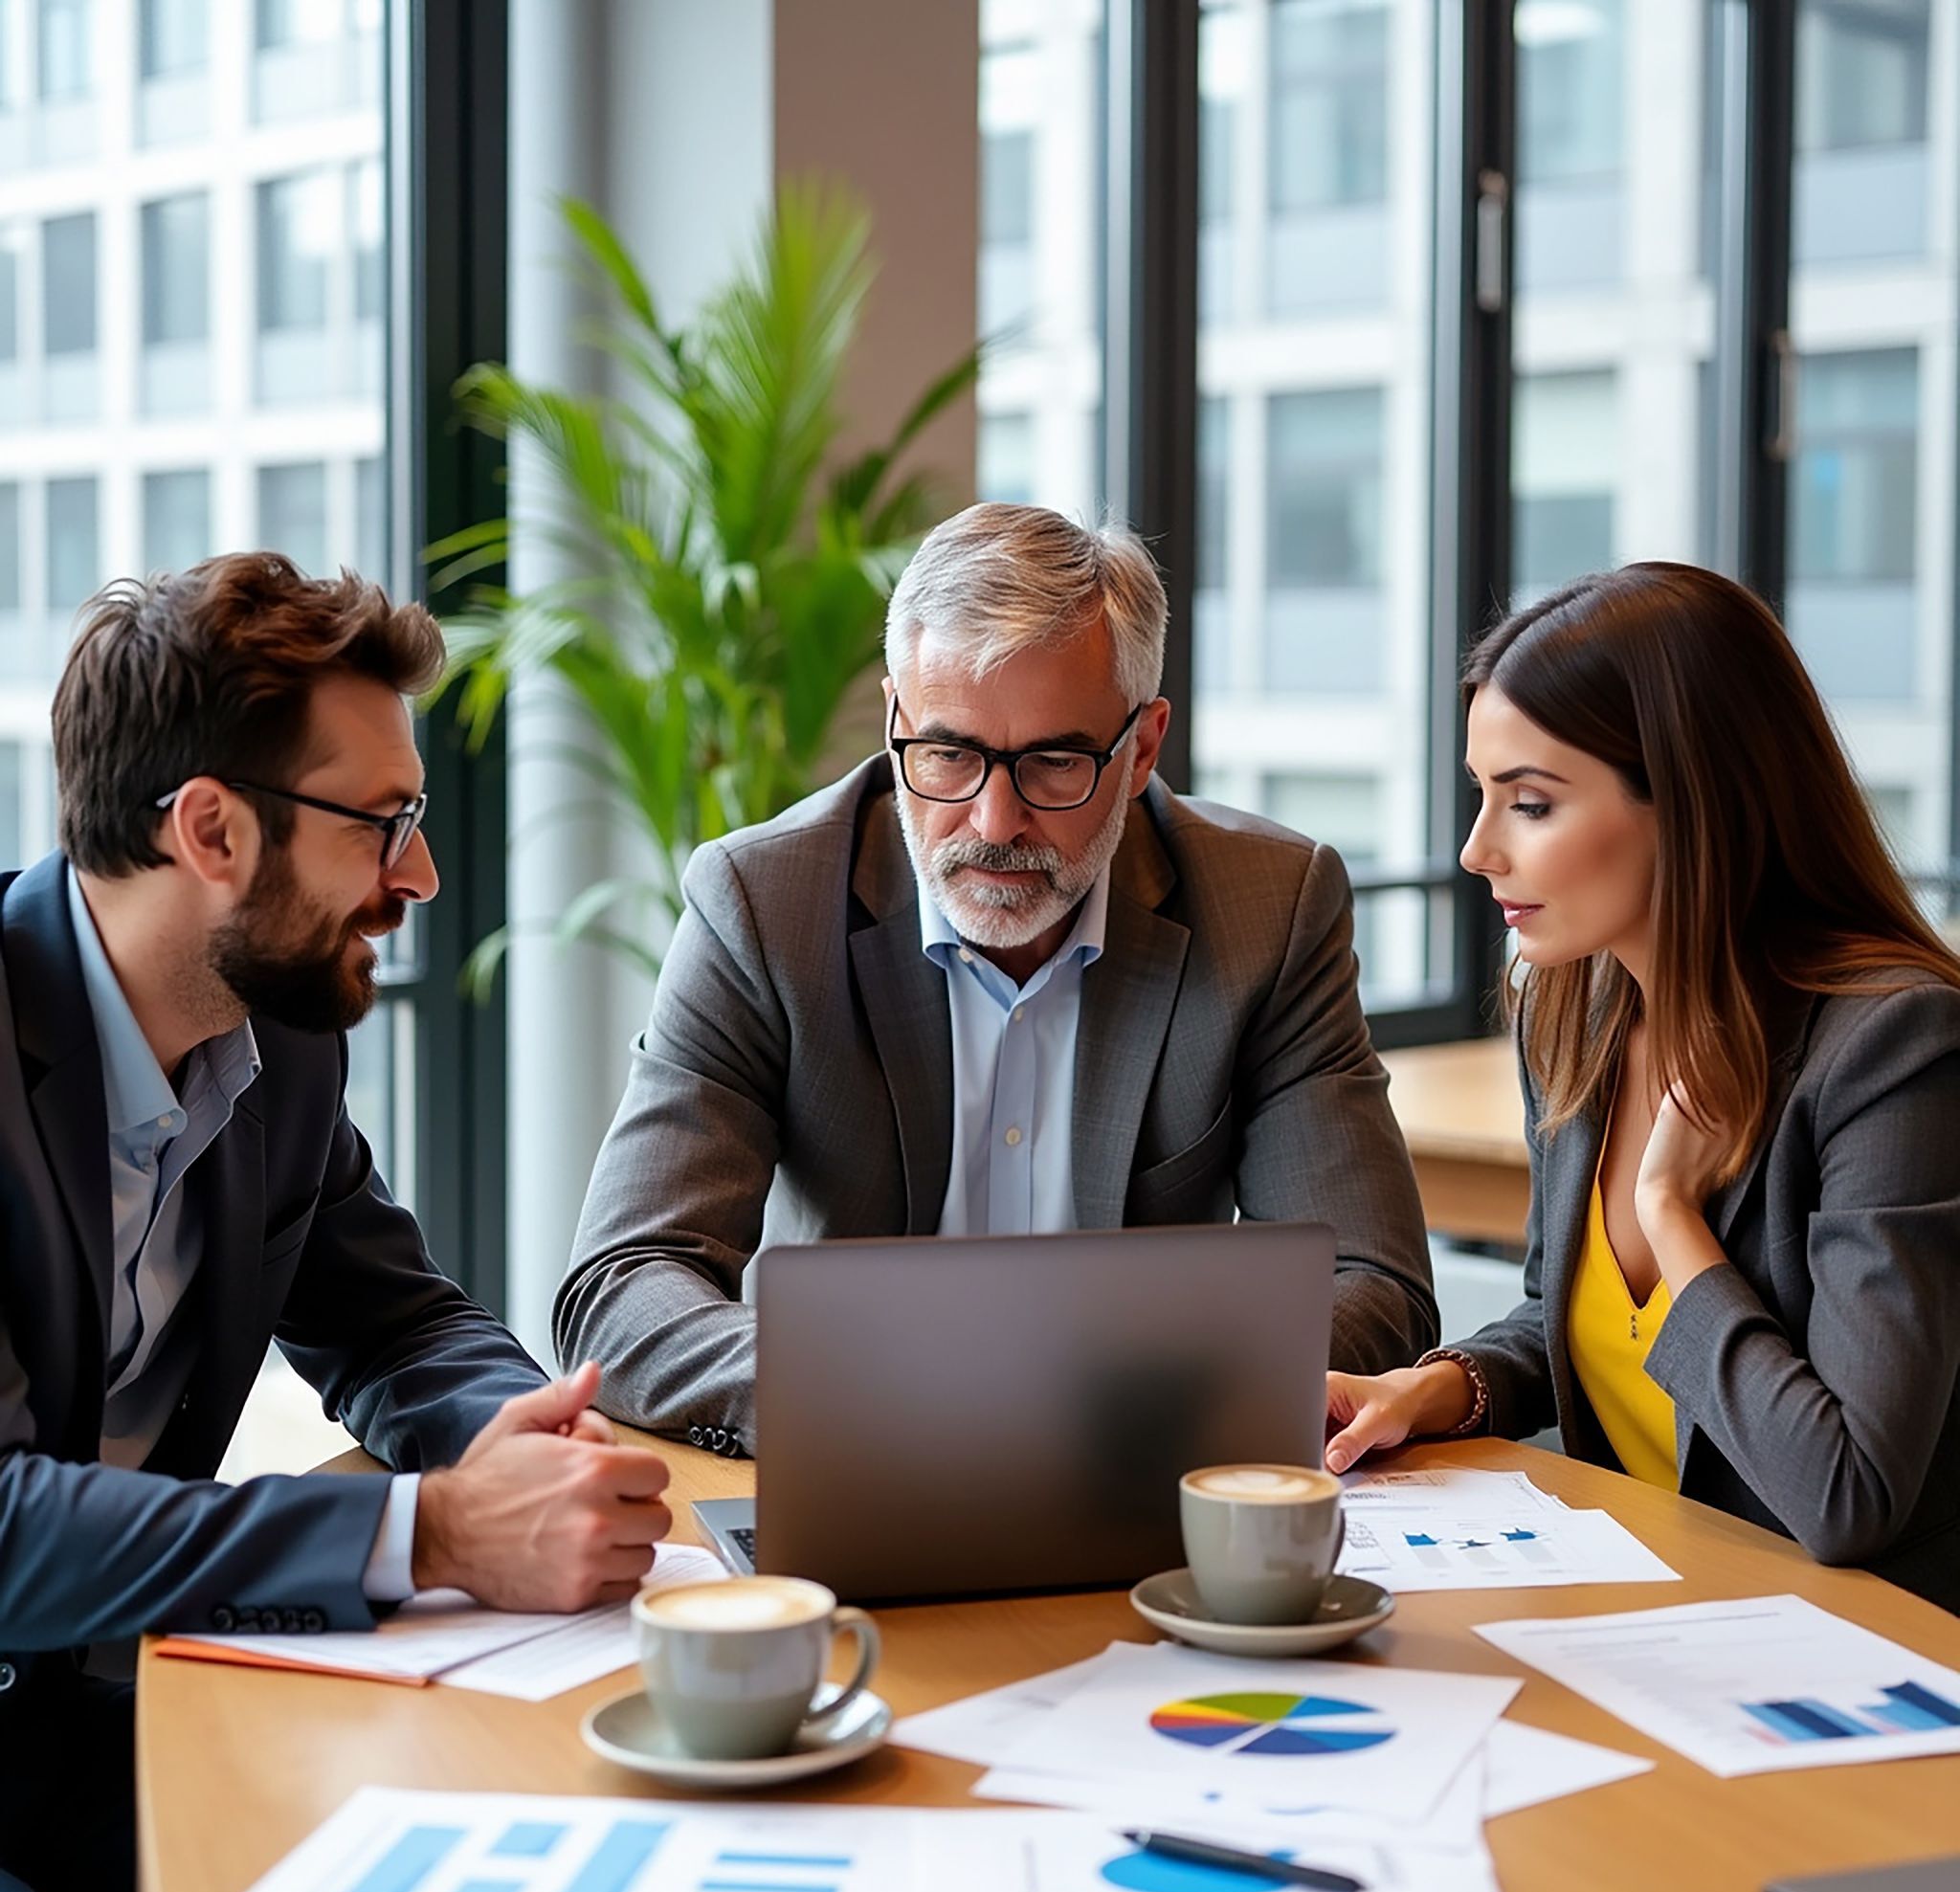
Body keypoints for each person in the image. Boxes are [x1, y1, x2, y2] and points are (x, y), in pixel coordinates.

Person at [0, 555, 675, 1892]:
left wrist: (522, 1442)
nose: (420, 872)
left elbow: (393, 1322)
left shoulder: (273, 1038)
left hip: (91, 1714)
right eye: (384, 821)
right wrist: (431, 1532)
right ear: (212, 832)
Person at [559, 501, 1437, 1453]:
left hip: (1140, 1465)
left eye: (1053, 762)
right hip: (869, 1464)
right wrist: (865, 1392)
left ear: (1140, 746)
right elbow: (622, 1281)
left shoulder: (1267, 904)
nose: (991, 821)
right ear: (897, 718)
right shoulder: (764, 902)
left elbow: (1374, 1283)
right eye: (946, 753)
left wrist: (1110, 1396)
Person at [1324, 561, 1960, 1614]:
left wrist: (1670, 1216)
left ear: (1692, 800)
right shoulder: (1570, 1010)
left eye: (1528, 802)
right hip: (1647, 1620)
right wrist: (1435, 1388)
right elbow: (1567, 1314)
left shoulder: (1894, 1048)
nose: (1477, 849)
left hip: (1854, 1668)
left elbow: (1848, 1491)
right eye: (1481, 795)